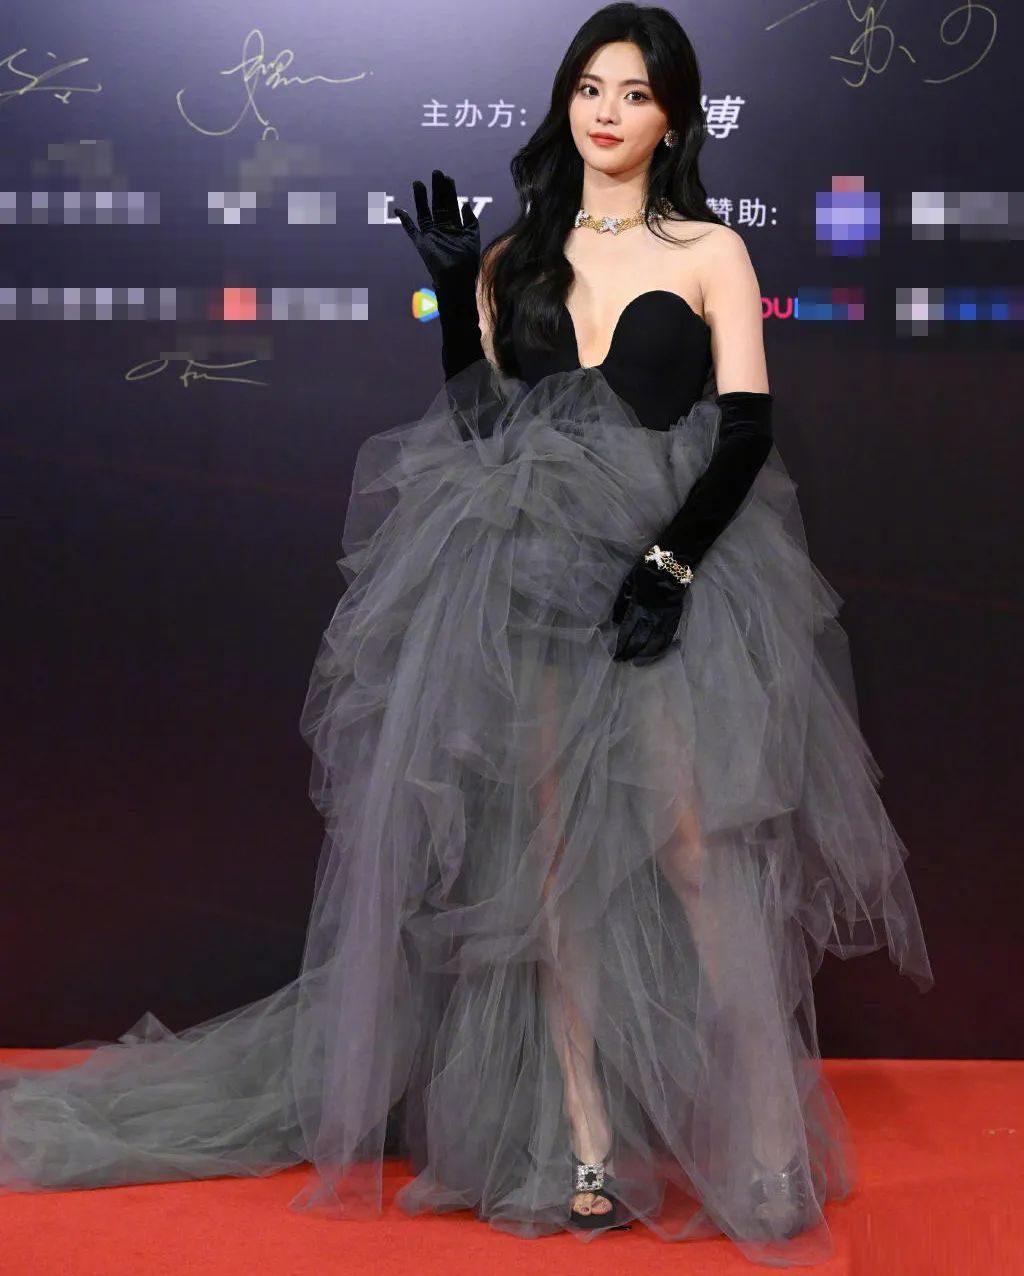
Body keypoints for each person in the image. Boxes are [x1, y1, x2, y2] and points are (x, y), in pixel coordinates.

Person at [0, 4, 932, 1266]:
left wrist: (669, 565)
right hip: (525, 581)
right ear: (565, 101)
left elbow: (746, 431)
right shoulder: (513, 257)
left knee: (695, 856)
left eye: (635, 92)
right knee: (548, 874)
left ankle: (763, 1136)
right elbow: (483, 424)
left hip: (666, 580)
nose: (607, 112)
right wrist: (454, 292)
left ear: (673, 118)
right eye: (590, 87)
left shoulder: (711, 250)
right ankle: (581, 1142)